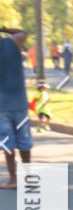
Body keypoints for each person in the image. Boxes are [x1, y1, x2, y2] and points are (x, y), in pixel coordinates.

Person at [0, 25, 33, 189]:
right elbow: (24, 32)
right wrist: (4, 28)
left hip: (2, 107)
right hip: (20, 103)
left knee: (8, 143)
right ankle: (27, 177)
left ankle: (13, 179)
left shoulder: (12, 43)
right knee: (24, 141)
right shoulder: (13, 42)